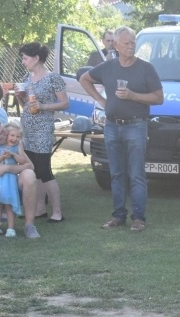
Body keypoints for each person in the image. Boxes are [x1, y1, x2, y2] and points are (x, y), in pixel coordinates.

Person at [80, 26, 164, 232]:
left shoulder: (146, 68)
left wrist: (133, 96)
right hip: (112, 126)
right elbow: (84, 78)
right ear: (115, 45)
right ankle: (118, 216)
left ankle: (138, 218)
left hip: (136, 125)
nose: (131, 46)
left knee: (136, 174)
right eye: (126, 43)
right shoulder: (107, 67)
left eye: (133, 43)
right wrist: (101, 100)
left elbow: (159, 98)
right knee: (116, 174)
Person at [17, 42, 69, 223]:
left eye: (25, 58)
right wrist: (21, 99)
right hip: (28, 131)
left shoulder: (52, 78)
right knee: (33, 170)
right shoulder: (27, 77)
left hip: (43, 130)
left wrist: (43, 106)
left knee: (44, 170)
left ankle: (57, 212)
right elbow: (27, 108)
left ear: (36, 58)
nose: (23, 62)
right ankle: (39, 209)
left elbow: (65, 103)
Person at [0, 118, 39, 238]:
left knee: (29, 175)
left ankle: (29, 225)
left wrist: (7, 168)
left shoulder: (12, 145)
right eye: (1, 133)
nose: (6, 133)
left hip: (7, 184)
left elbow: (30, 165)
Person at [0, 121, 26, 237]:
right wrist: (2, 157)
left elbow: (23, 161)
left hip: (9, 180)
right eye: (12, 135)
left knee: (9, 204)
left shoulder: (17, 147)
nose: (14, 139)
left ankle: (11, 228)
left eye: (17, 136)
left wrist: (14, 155)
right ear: (6, 136)